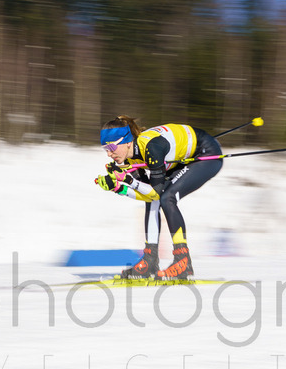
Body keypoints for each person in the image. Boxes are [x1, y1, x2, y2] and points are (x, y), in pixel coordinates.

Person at [95, 116, 223, 279]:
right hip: (180, 158)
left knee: (167, 198)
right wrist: (119, 188)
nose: (109, 153)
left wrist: (128, 181)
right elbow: (148, 195)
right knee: (154, 201)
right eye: (105, 148)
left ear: (127, 141)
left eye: (112, 147)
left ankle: (183, 259)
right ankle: (150, 259)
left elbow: (154, 193)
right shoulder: (130, 156)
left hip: (206, 152)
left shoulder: (152, 148)